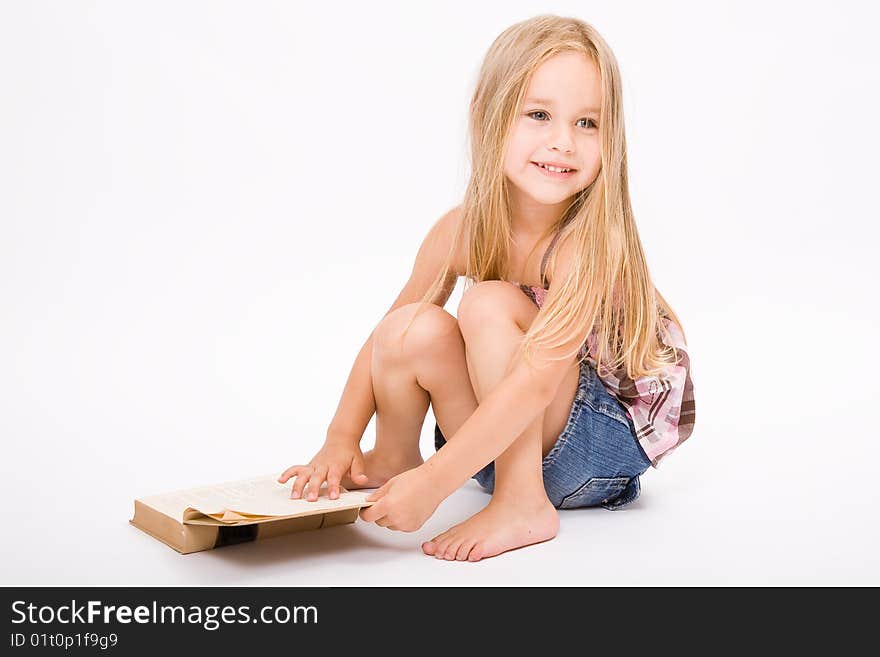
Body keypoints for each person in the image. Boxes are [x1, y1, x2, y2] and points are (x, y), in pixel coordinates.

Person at [278, 14, 696, 562]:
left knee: (488, 302)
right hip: (504, 442)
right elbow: (382, 340)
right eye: (539, 115)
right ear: (489, 117)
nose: (563, 142)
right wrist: (340, 438)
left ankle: (524, 503)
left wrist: (436, 482)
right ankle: (391, 458)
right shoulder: (460, 230)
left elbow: (536, 384)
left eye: (588, 123)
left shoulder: (588, 245)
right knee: (409, 327)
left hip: (598, 446)